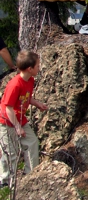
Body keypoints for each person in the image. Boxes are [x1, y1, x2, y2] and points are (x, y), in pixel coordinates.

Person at [0, 51, 48, 188]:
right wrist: (17, 127)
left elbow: (26, 97)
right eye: (38, 66)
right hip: (6, 122)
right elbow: (8, 108)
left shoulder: (30, 80)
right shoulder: (15, 84)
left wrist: (37, 103)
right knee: (11, 154)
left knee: (32, 142)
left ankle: (31, 175)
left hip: (20, 119)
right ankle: (7, 183)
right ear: (29, 69)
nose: (39, 67)